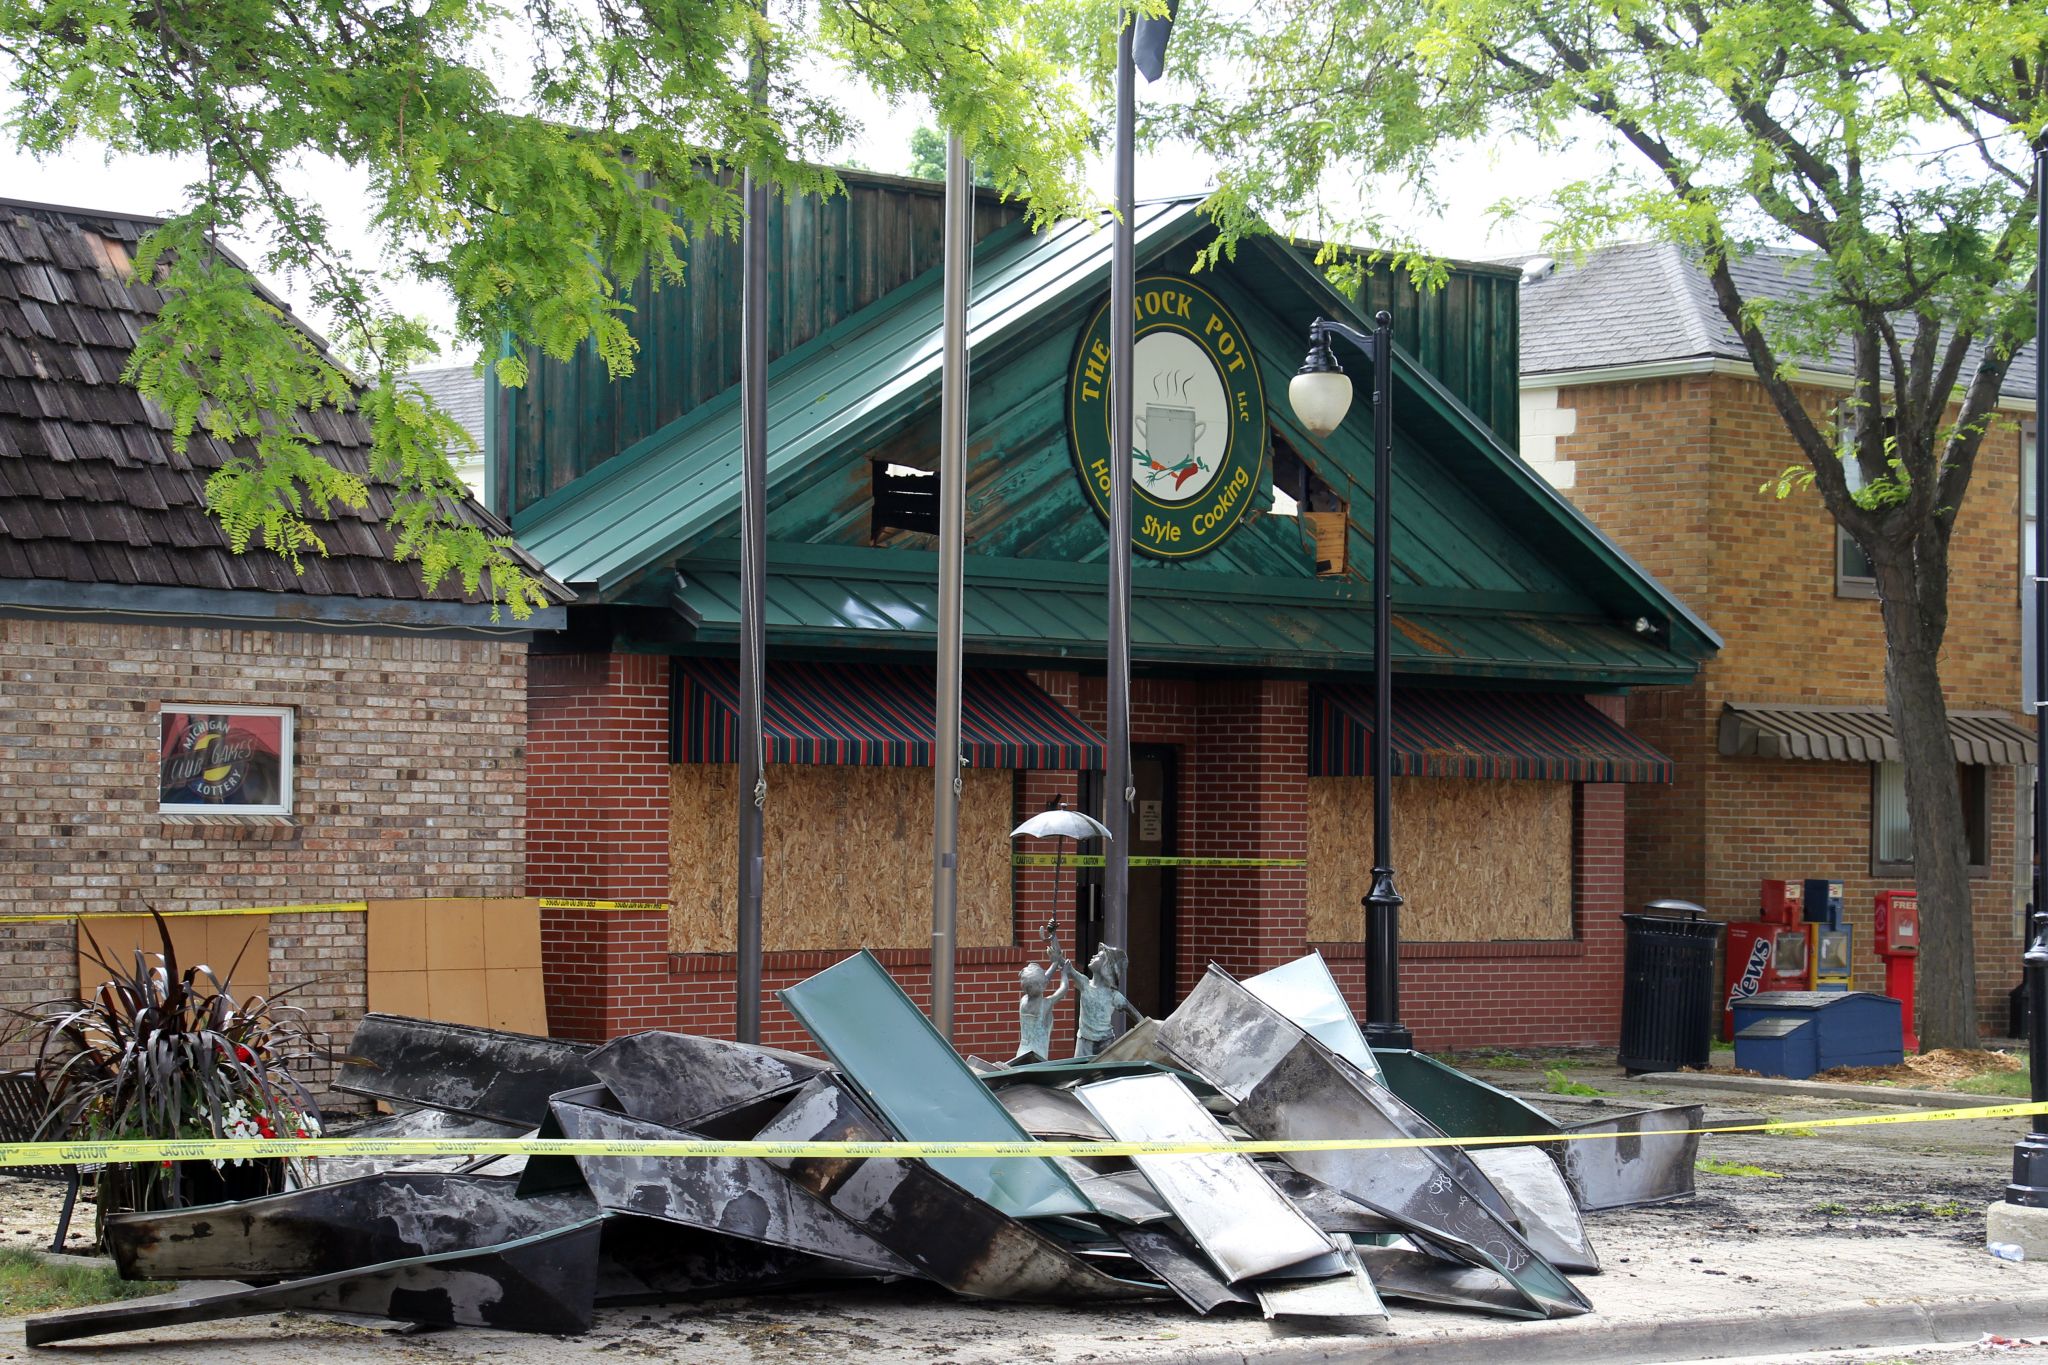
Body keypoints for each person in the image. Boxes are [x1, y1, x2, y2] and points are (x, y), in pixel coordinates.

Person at [1042, 921, 1145, 1058]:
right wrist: (1053, 935)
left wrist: (1145, 1035)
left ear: (1106, 967)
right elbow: (1062, 961)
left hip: (1105, 1045)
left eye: (1099, 957)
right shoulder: (1084, 983)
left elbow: (1137, 1016)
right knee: (1079, 1070)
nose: (1093, 956)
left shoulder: (1113, 995)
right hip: (1083, 1043)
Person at [1013, 962, 1069, 1064]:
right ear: (1043, 986)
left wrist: (1055, 964)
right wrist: (1064, 973)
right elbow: (1064, 989)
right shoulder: (1045, 1004)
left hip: (1022, 1052)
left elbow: (1042, 980)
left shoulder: (1023, 1000)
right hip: (1037, 1055)